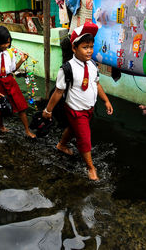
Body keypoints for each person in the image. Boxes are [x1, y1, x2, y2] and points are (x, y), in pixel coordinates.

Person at [42, 22, 113, 181]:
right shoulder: (67, 68)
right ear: (74, 48)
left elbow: (96, 83)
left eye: (91, 47)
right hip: (75, 109)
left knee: (73, 129)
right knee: (84, 138)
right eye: (85, 47)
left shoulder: (93, 65)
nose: (89, 51)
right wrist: (48, 110)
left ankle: (61, 145)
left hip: (89, 108)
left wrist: (106, 101)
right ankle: (91, 167)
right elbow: (59, 92)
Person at [0, 26, 36, 138]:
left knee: (21, 105)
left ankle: (27, 130)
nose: (6, 45)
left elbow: (12, 70)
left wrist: (21, 61)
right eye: (4, 43)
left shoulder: (10, 53)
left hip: (10, 81)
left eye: (8, 42)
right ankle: (1, 126)